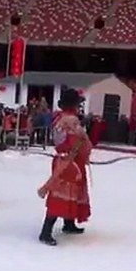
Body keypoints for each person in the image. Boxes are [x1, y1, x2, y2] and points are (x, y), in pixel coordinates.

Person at [36, 88, 93, 246]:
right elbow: (74, 142)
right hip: (69, 161)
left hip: (67, 160)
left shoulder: (60, 118)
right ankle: (46, 232)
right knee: (61, 194)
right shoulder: (71, 121)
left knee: (69, 192)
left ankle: (69, 223)